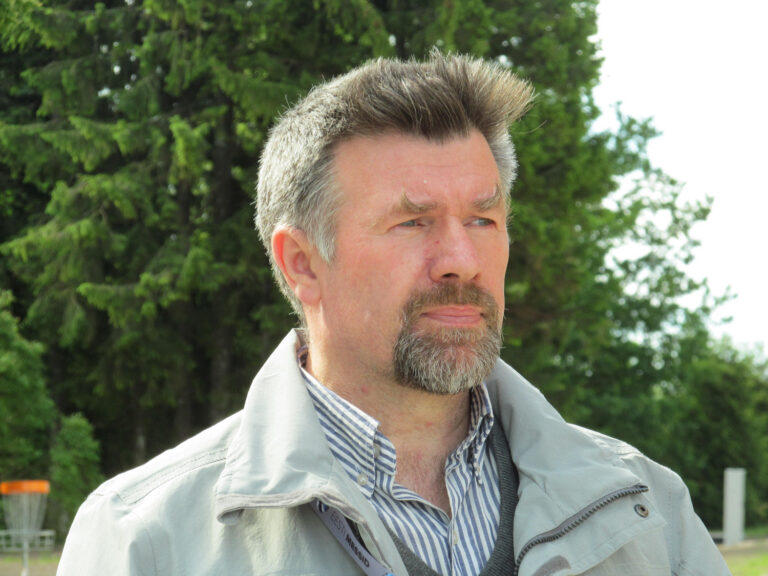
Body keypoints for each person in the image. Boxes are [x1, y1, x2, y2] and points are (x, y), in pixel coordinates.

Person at [58, 52, 730, 576]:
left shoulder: (648, 511)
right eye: (413, 222)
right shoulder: (146, 539)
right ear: (301, 263)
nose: (462, 261)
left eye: (483, 219)